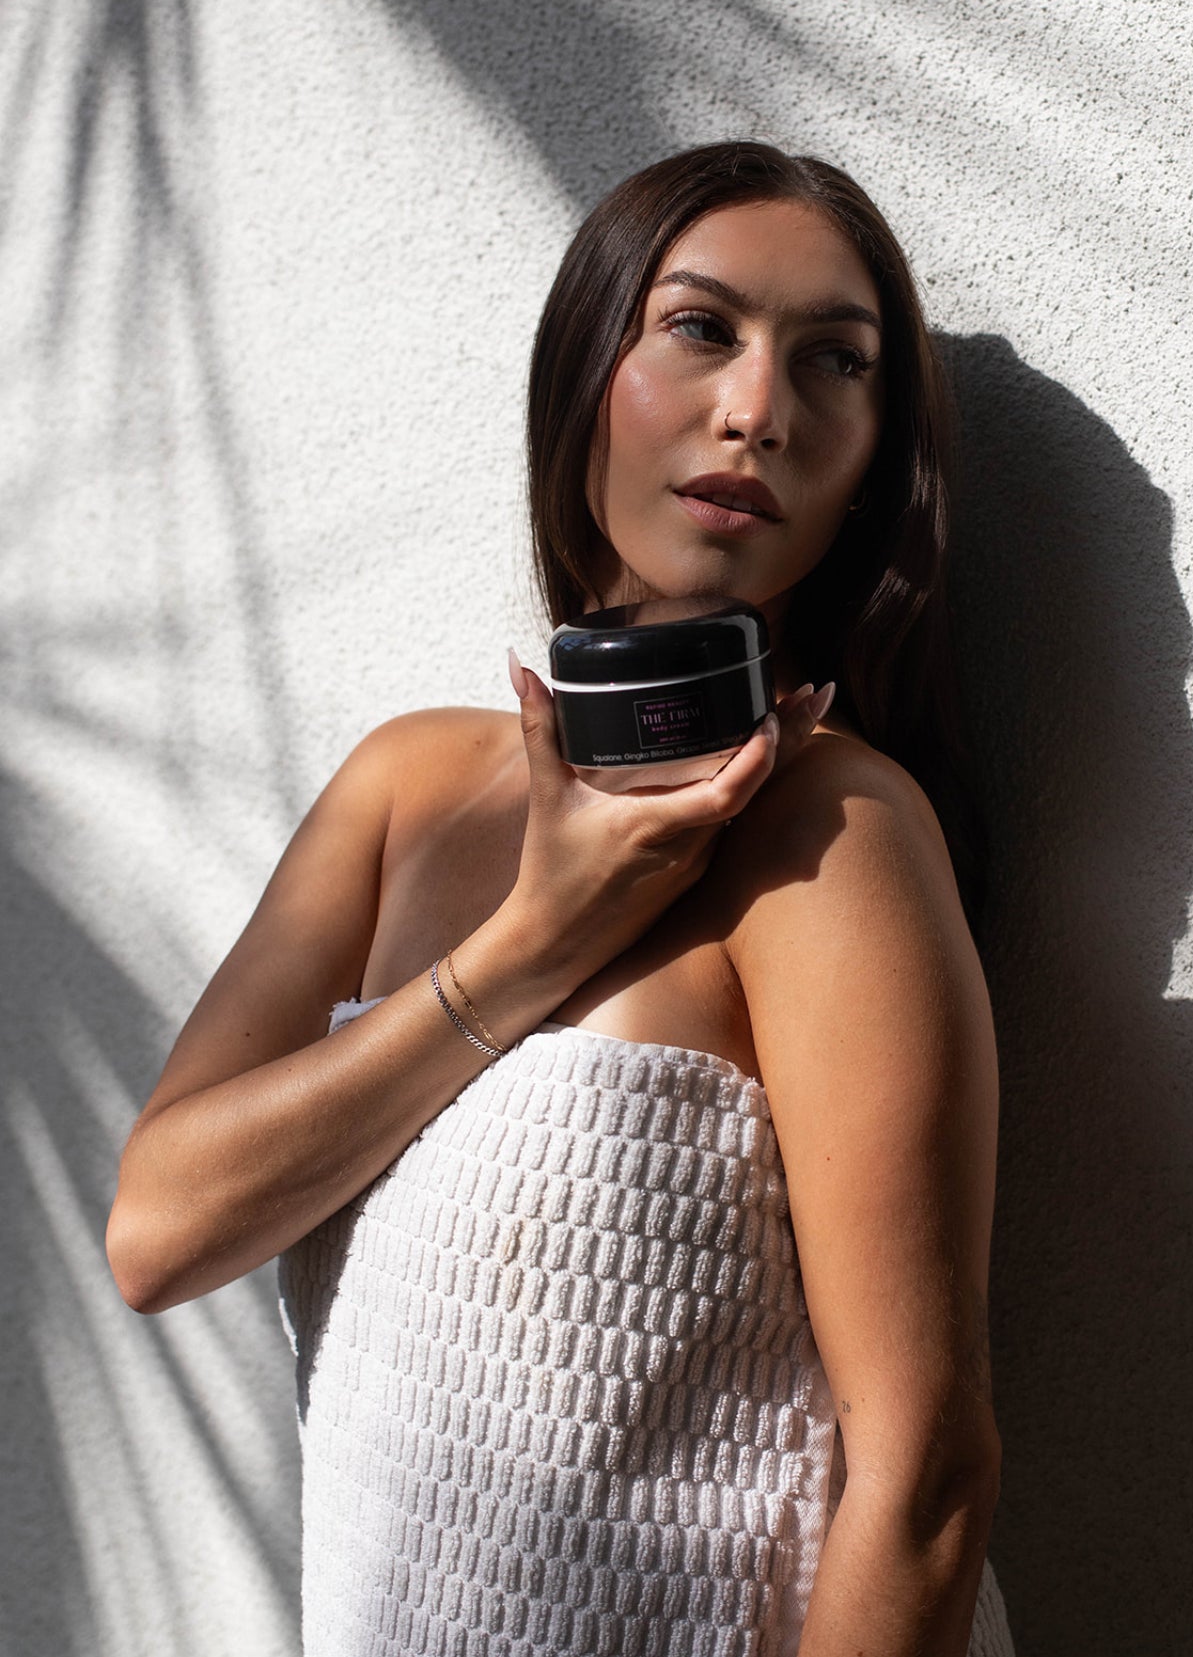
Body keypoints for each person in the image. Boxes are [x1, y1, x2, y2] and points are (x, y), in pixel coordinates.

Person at [107, 141, 1015, 1657]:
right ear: (588, 366)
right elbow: (158, 1229)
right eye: (701, 326)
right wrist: (532, 945)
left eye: (834, 363)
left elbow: (923, 1474)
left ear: (870, 464)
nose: (759, 410)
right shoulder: (405, 788)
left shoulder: (835, 835)